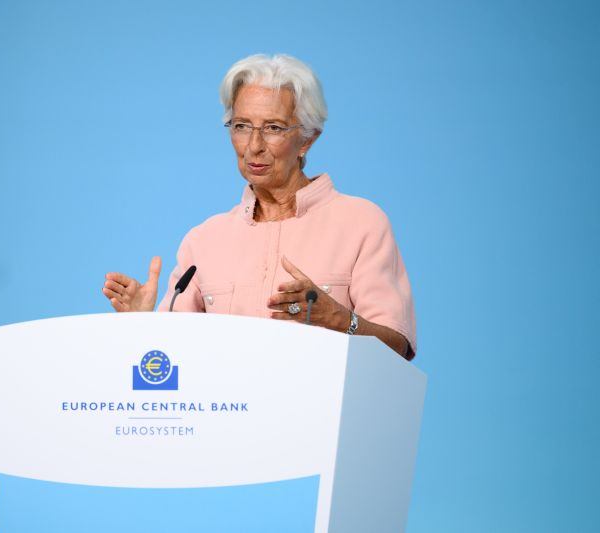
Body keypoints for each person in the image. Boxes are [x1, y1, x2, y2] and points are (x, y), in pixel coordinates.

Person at [102, 54, 416, 360]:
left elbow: (398, 346)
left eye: (273, 128)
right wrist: (143, 323)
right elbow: (173, 356)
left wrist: (339, 319)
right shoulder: (203, 240)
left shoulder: (361, 223)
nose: (254, 146)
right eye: (241, 126)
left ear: (307, 139)